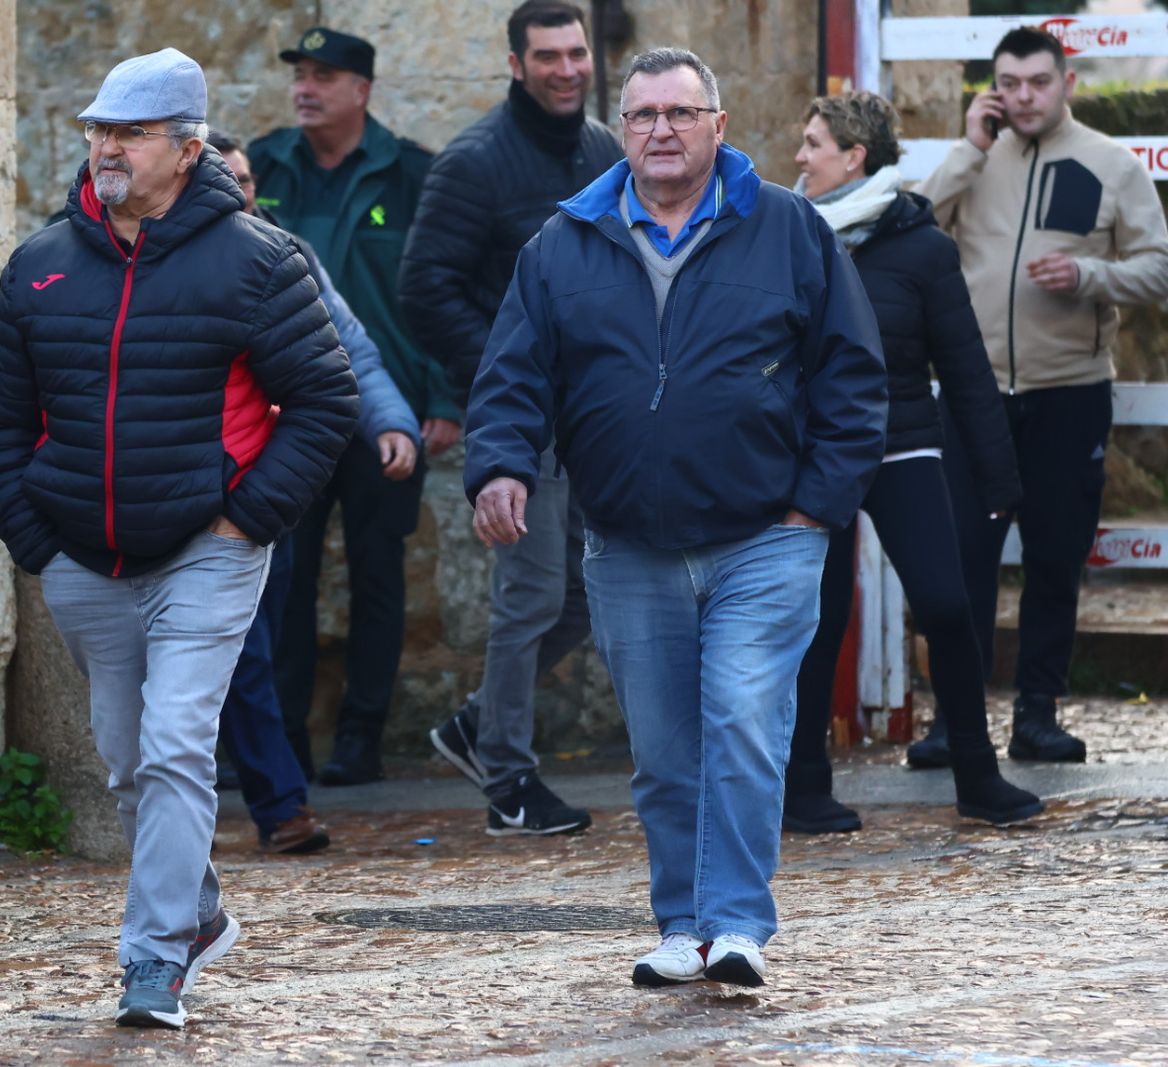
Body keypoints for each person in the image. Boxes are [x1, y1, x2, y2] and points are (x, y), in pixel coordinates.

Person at [465, 48, 887, 988]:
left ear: (718, 127)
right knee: (662, 753)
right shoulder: (564, 242)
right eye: (644, 114)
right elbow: (511, 377)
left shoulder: (787, 228)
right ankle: (682, 925)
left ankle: (734, 922)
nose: (662, 130)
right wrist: (499, 467)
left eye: (681, 113)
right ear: (622, 129)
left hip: (766, 537)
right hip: (628, 544)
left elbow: (853, 376)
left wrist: (815, 508)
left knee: (742, 723)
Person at [0, 49, 357, 1028]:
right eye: (99, 130)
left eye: (131, 133)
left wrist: (246, 517)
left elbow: (323, 401)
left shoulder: (259, 260)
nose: (107, 147)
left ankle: (153, 960)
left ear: (187, 150)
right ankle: (196, 907)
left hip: (208, 550)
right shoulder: (41, 262)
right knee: (126, 758)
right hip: (82, 557)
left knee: (177, 742)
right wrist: (36, 536)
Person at [786, 92, 1042, 834]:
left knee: (946, 604)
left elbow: (964, 365)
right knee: (817, 619)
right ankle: (803, 787)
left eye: (813, 143)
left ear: (854, 156)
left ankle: (978, 776)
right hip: (817, 454)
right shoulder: (788, 237)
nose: (800, 156)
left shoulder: (923, 247)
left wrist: (997, 477)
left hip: (902, 444)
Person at [915, 27, 1168, 766]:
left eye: (1038, 81)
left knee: (1055, 561)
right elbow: (911, 232)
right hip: (974, 396)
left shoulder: (1112, 164)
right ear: (992, 88)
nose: (1024, 96)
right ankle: (953, 721)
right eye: (1009, 83)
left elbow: (1158, 268)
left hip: (1069, 395)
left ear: (1067, 83)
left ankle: (1037, 715)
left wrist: (1090, 277)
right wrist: (968, 149)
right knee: (962, 562)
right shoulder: (971, 160)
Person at [399, 0, 622, 836]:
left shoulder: (604, 150)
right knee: (529, 598)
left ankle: (475, 725)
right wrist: (505, 362)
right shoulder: (474, 163)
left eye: (576, 54)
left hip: (592, 416)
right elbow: (424, 288)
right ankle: (508, 780)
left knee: (587, 595)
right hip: (521, 417)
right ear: (515, 65)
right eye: (548, 56)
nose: (566, 70)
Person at [249, 28, 462, 785]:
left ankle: (360, 740)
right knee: (284, 577)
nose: (304, 89)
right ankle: (282, 746)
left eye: (323, 77)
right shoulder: (263, 165)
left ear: (362, 91)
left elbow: (441, 289)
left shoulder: (413, 175)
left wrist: (441, 396)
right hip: (287, 410)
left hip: (384, 411)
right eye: (300, 75)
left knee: (377, 574)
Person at [205, 130, 421, 854]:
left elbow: (347, 347)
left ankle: (276, 796)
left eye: (245, 180)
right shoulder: (154, 259)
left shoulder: (283, 253)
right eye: (224, 178)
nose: (239, 193)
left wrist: (390, 423)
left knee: (260, 643)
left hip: (265, 486)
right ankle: (267, 798)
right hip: (182, 486)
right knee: (237, 650)